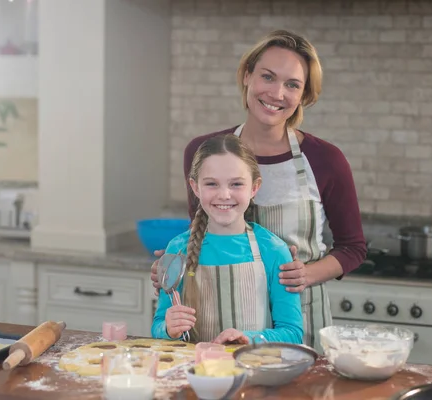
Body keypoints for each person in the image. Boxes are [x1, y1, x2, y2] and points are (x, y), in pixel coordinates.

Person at [151, 29, 366, 352]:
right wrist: (172, 265)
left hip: (295, 322)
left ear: (304, 95)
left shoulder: (325, 160)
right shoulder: (204, 151)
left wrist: (304, 275)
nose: (277, 93)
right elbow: (202, 227)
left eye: (292, 84)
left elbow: (353, 247)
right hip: (215, 328)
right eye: (268, 77)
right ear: (247, 75)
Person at [151, 134, 303, 345]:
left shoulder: (274, 250)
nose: (224, 194)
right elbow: (158, 325)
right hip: (195, 374)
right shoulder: (177, 249)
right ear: (195, 188)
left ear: (254, 188)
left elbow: (292, 333)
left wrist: (248, 338)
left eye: (236, 184)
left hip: (253, 372)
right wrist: (168, 328)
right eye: (212, 184)